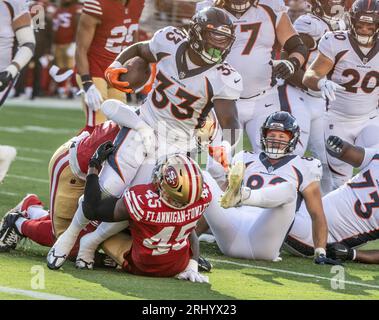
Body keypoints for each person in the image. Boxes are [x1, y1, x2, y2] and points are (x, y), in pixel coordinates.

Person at [47, 148, 211, 283]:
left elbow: (91, 209)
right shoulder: (203, 197)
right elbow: (191, 232)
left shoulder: (142, 201)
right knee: (185, 225)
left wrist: (94, 168)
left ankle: (86, 242)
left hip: (142, 266)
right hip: (178, 263)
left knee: (90, 222)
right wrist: (192, 265)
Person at [202, 111, 337, 264]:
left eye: (282, 136)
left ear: (293, 139)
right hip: (232, 233)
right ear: (264, 136)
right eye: (272, 135)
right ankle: (183, 237)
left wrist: (320, 251)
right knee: (202, 176)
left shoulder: (306, 166)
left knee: (289, 190)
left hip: (263, 242)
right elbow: (219, 200)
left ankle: (243, 195)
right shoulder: (245, 158)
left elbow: (317, 214)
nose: (275, 140)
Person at [303, 0, 379, 189]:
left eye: (370, 26)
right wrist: (321, 82)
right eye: (360, 25)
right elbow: (308, 76)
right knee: (338, 181)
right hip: (336, 119)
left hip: (369, 119)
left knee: (375, 170)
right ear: (351, 21)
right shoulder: (336, 41)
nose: (364, 30)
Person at [278, 0, 346, 194]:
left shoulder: (341, 25)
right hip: (297, 93)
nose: (336, 5)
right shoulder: (308, 23)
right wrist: (312, 85)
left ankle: (325, 209)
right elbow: (287, 64)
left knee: (327, 159)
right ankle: (281, 202)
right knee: (293, 152)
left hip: (320, 98)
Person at [286, 136, 379, 264]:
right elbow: (348, 152)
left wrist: (353, 254)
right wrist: (338, 146)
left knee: (277, 192)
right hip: (309, 210)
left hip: (320, 239)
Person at [75, 0, 145, 131]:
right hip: (93, 68)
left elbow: (132, 33)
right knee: (96, 127)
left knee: (118, 127)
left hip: (116, 70)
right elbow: (81, 49)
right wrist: (87, 83)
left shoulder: (138, 2)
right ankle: (71, 152)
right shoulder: (97, 4)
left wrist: (136, 65)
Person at [0, 0, 36, 182]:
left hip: (2, 73)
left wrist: (12, 70)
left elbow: (28, 44)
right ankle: (2, 154)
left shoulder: (13, 2)